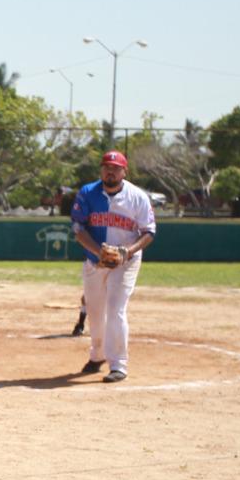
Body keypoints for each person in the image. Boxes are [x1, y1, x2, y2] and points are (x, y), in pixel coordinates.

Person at [71, 150, 156, 382]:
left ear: (124, 171)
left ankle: (119, 364)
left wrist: (126, 252)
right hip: (95, 261)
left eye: (116, 167)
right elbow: (78, 228)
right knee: (96, 312)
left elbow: (149, 232)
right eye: (107, 166)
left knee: (116, 308)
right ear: (101, 170)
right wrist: (99, 252)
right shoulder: (88, 193)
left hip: (125, 261)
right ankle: (97, 355)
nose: (111, 171)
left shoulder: (137, 197)